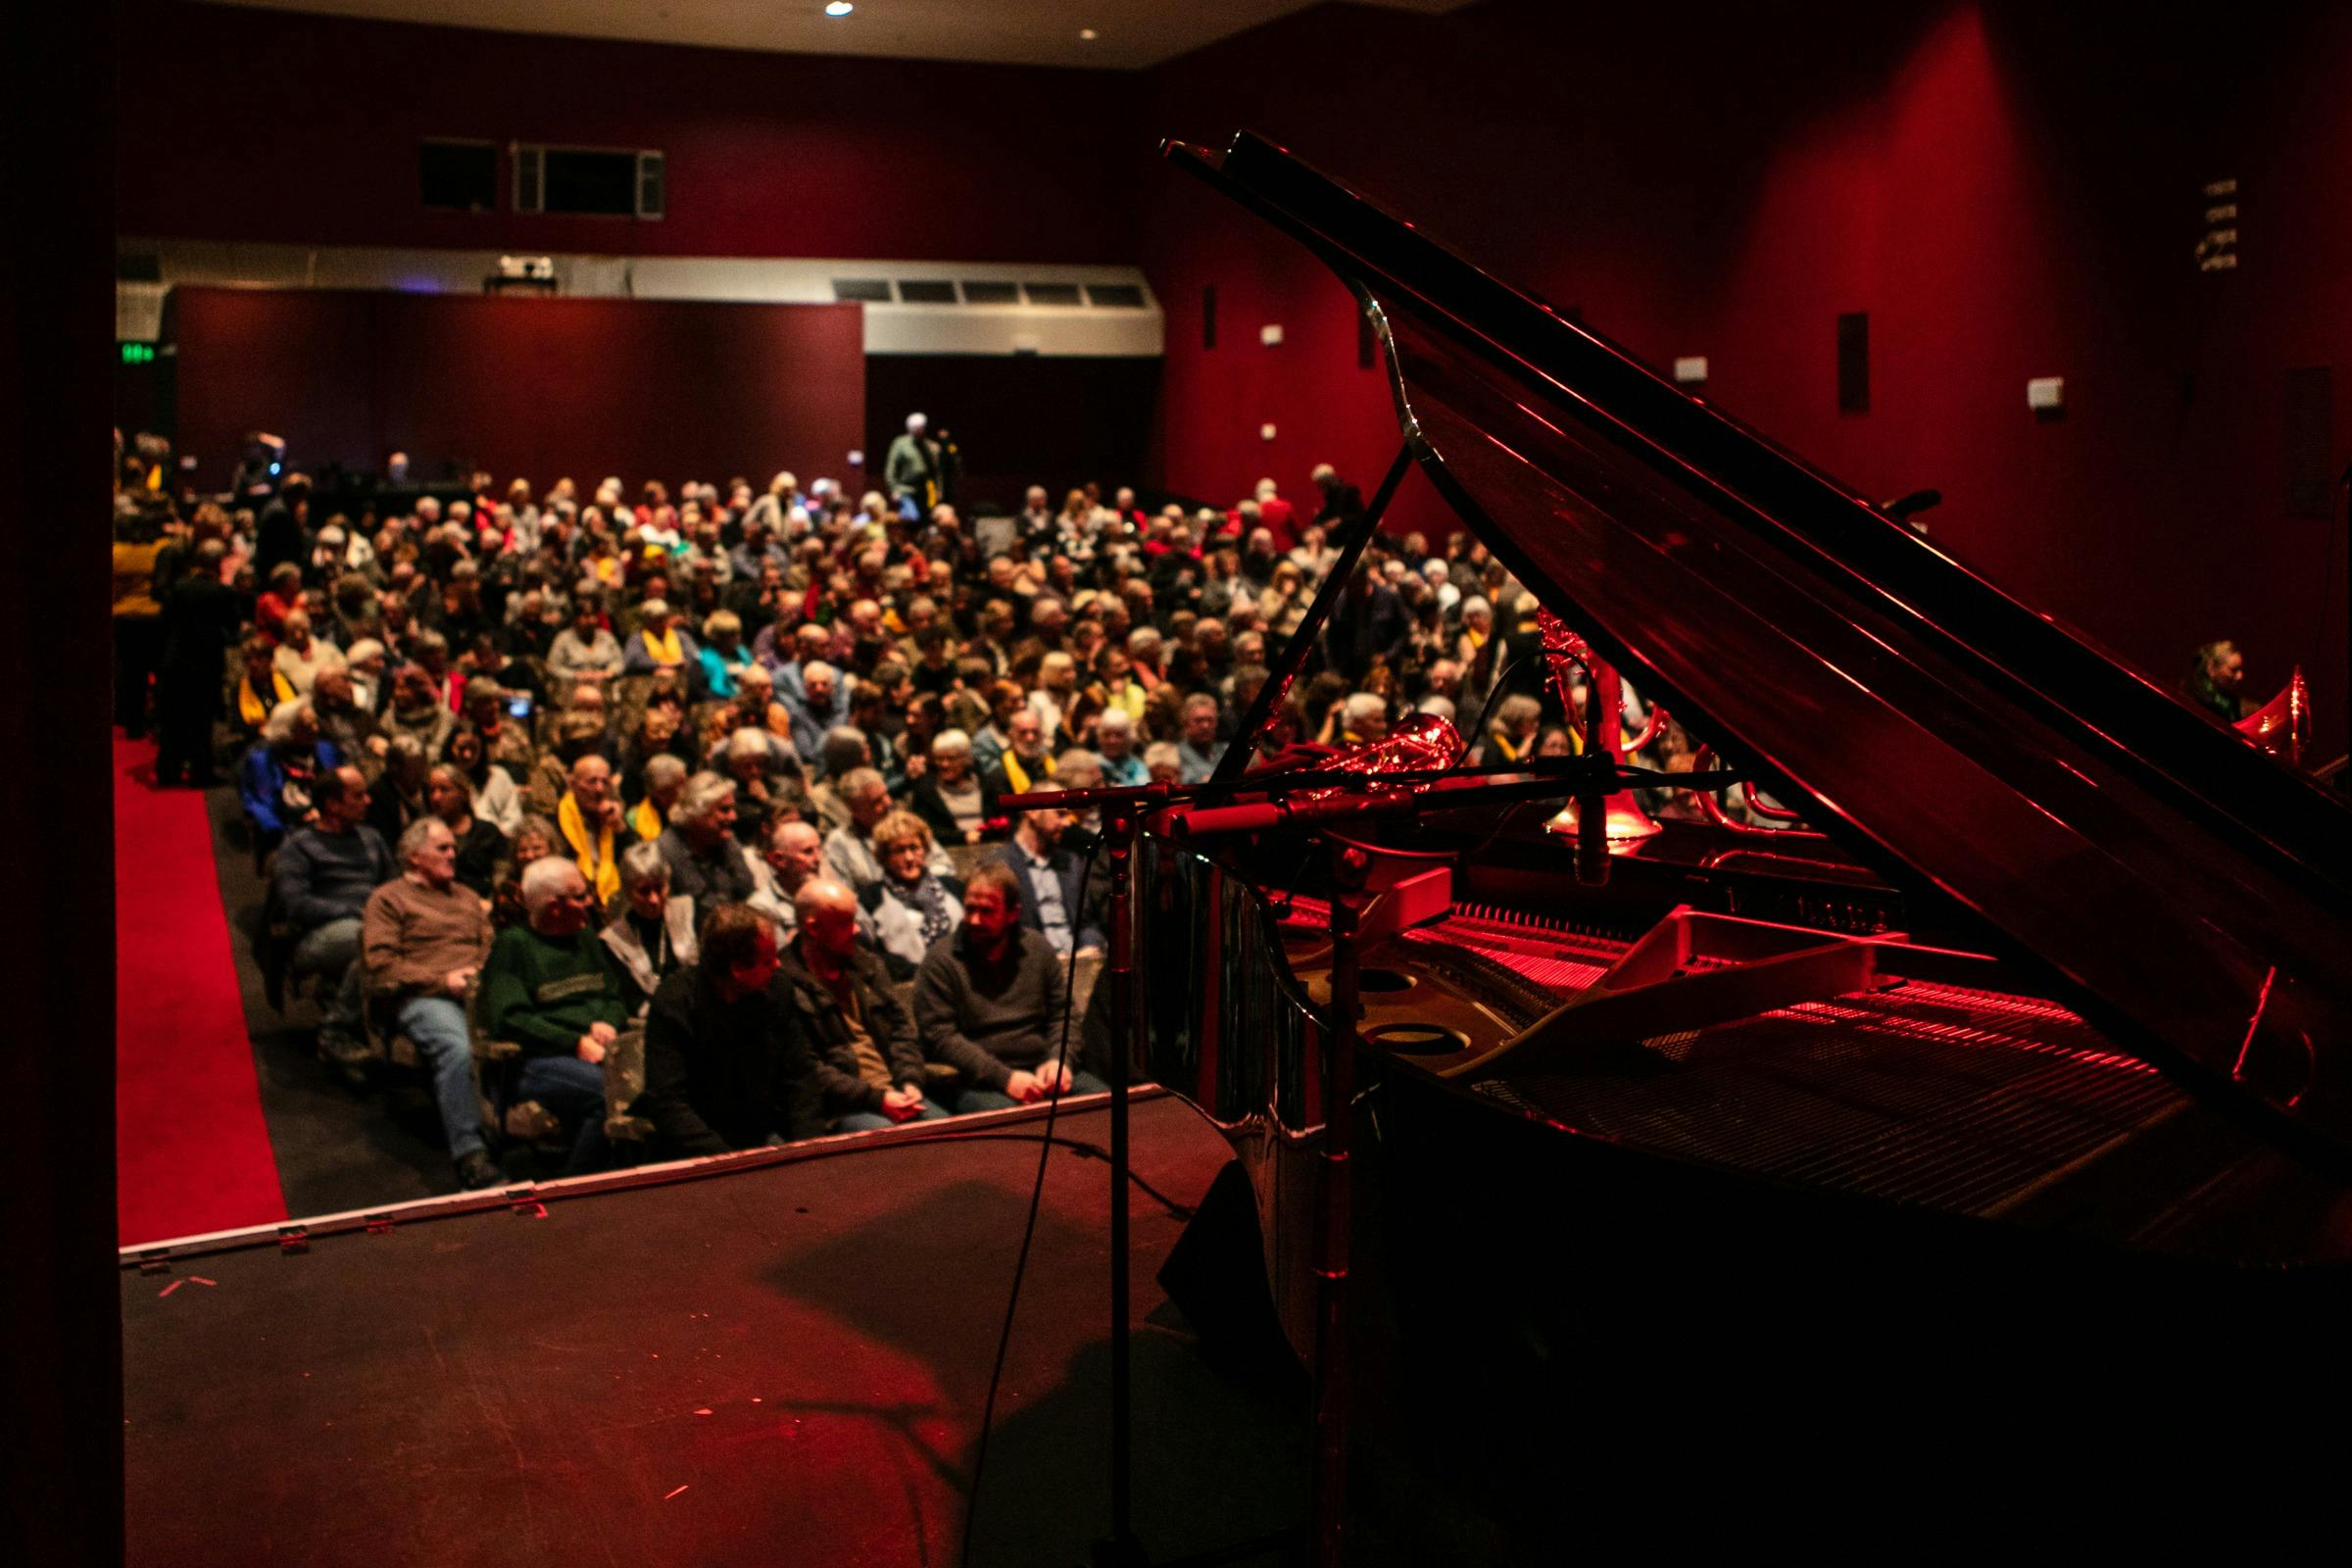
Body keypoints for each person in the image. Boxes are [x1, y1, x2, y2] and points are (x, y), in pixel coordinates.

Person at [359, 817, 501, 1190]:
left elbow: (489, 943)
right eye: (443, 848)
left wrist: (479, 971)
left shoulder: (467, 898)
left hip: (477, 988)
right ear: (413, 855)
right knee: (457, 1047)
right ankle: (470, 1153)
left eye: (454, 847)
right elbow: (382, 966)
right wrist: (442, 980)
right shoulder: (388, 899)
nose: (453, 854)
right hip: (421, 995)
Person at [475, 858, 628, 1174]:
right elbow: (511, 1020)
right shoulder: (513, 946)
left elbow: (614, 996)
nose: (591, 902)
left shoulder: (586, 939)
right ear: (555, 906)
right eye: (581, 895)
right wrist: (574, 1042)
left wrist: (607, 1022)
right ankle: (573, 1191)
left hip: (602, 1050)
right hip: (536, 1062)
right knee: (607, 1094)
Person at [914, 862, 1106, 1111]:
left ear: (1012, 913)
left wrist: (1060, 1061)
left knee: (1104, 1103)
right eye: (970, 909)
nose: (974, 920)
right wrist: (1005, 1078)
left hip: (1042, 1068)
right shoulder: (941, 960)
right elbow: (940, 1037)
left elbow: (1063, 1014)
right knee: (1017, 1120)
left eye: (986, 911)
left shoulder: (1037, 948)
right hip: (979, 1082)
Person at [636, 902, 821, 1157]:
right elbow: (668, 1102)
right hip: (700, 1145)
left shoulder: (777, 990)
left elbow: (800, 1075)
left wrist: (808, 1147)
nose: (778, 965)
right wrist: (728, 1161)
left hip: (764, 1131)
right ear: (738, 969)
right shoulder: (675, 1002)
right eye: (767, 961)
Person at [780, 878, 947, 1132]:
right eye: (846, 922)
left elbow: (902, 1032)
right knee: (900, 1146)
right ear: (813, 929)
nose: (857, 930)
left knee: (954, 1134)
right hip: (842, 1108)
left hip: (898, 1090)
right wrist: (877, 1099)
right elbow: (808, 1069)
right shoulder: (784, 984)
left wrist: (911, 1080)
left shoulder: (867, 964)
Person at [271, 763, 394, 1069]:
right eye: (358, 796)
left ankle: (366, 1019)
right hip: (316, 935)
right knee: (367, 940)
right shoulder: (300, 846)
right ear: (332, 804)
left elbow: (393, 886)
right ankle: (335, 1031)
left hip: (368, 926)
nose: (368, 801)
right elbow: (296, 904)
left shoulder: (371, 838)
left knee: (382, 941)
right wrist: (354, 911)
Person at [600, 841, 699, 1016]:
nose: (653, 899)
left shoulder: (689, 910)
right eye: (644, 891)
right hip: (653, 1019)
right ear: (628, 892)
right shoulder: (613, 939)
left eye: (659, 888)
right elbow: (632, 1000)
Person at [994, 805, 1104, 958]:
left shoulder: (1070, 862)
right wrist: (1046, 960)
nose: (1067, 823)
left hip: (1078, 958)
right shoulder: (1000, 864)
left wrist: (1090, 946)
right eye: (1060, 814)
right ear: (1032, 811)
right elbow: (1001, 932)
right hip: (1031, 963)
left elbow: (1086, 922)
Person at [861, 811, 963, 972]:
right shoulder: (871, 899)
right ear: (885, 856)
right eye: (899, 850)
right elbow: (872, 954)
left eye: (914, 847)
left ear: (925, 849)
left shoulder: (953, 887)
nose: (909, 857)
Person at [240, 699, 341, 851]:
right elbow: (261, 803)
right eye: (307, 726)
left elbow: (342, 789)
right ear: (287, 730)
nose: (315, 729)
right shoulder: (262, 761)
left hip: (333, 823)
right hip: (288, 831)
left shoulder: (327, 750)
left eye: (315, 723)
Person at [657, 771, 758, 913]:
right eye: (725, 810)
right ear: (698, 813)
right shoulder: (666, 852)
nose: (734, 817)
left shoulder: (726, 839)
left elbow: (748, 893)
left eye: (732, 809)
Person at [556, 752, 635, 906]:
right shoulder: (557, 821)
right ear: (573, 784)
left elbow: (636, 863)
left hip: (614, 899)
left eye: (605, 782)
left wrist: (619, 826)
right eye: (592, 782)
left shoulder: (613, 816)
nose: (599, 789)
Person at [425, 761, 506, 898]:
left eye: (444, 789)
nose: (436, 797)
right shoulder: (423, 833)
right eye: (431, 790)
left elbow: (501, 877)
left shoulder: (488, 832)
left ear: (463, 793)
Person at [910, 728, 989, 845]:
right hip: (951, 852)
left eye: (951, 758)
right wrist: (963, 837)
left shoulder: (986, 784)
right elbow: (924, 830)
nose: (944, 764)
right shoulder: (926, 790)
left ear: (965, 758)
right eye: (939, 759)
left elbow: (1004, 819)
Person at [2185, 639, 2249, 722]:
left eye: (2240, 669)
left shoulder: (2230, 700)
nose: (2240, 676)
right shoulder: (2194, 702)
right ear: (2211, 667)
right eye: (2233, 670)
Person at [1175, 693, 1226, 782]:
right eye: (1198, 720)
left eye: (1210, 720)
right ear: (1186, 723)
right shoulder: (1175, 755)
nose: (1205, 726)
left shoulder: (1225, 750)